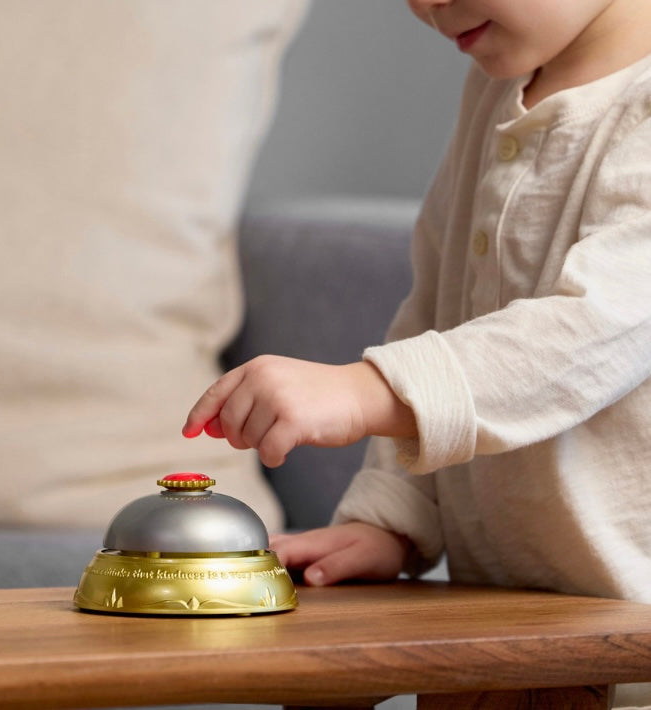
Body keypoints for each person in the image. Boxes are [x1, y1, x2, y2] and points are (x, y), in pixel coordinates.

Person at [184, 0, 651, 608]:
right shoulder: (496, 90)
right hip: (506, 626)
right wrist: (392, 517)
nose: (427, 5)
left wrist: (368, 392)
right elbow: (438, 311)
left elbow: (589, 332)